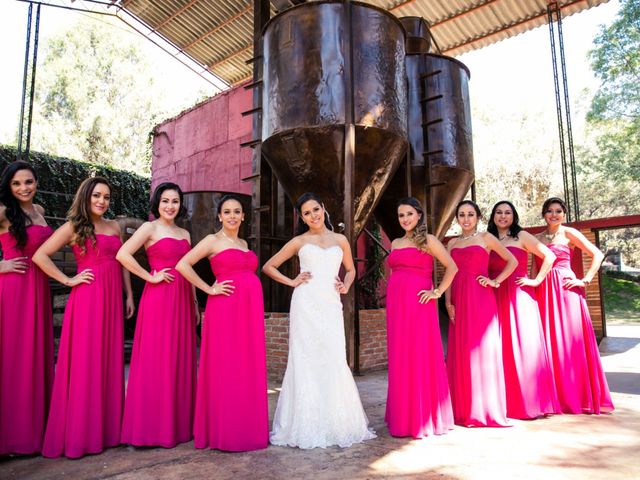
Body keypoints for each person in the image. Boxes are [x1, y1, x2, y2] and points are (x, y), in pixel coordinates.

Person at [263, 192, 375, 449]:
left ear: (323, 208)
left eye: (315, 209)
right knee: (306, 359)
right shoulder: (299, 241)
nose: (313, 216)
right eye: (306, 213)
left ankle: (337, 422)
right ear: (301, 218)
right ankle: (305, 424)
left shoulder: (340, 239)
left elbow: (351, 269)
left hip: (330, 304)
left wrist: (346, 286)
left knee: (334, 357)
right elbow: (269, 266)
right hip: (305, 303)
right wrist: (292, 281)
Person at [33, 177, 134, 458]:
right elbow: (40, 256)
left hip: (113, 298)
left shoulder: (114, 226)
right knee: (86, 360)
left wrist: (128, 295)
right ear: (86, 197)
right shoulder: (74, 226)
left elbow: (123, 262)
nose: (102, 201)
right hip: (88, 298)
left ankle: (108, 431)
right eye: (96, 196)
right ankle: (80, 434)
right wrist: (67, 280)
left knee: (109, 359)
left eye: (106, 197)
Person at [176, 194, 268, 451]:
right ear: (219, 216)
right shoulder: (212, 240)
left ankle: (247, 427)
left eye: (236, 211)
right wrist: (208, 289)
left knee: (246, 363)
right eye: (226, 211)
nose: (232, 216)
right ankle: (225, 430)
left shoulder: (243, 242)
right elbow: (183, 264)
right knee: (227, 364)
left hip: (249, 310)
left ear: (243, 215)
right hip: (224, 310)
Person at [117, 182, 198, 448]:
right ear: (157, 203)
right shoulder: (149, 228)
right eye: (165, 201)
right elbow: (123, 254)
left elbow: (188, 270)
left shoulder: (185, 234)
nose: (170, 206)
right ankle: (149, 428)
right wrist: (149, 277)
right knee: (156, 357)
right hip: (159, 298)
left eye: (175, 201)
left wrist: (195, 302)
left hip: (184, 299)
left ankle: (176, 426)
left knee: (179, 358)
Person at [385, 197, 458, 438]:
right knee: (400, 354)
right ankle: (403, 414)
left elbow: (452, 267)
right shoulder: (395, 243)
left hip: (419, 303)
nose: (405, 219)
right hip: (397, 304)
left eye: (409, 214)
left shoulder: (429, 240)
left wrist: (437, 292)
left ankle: (423, 415)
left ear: (418, 215)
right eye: (401, 215)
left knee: (420, 353)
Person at [534, 197, 614, 414]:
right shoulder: (537, 238)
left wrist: (585, 279)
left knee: (571, 342)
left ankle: (578, 395)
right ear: (544, 214)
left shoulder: (570, 234)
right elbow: (534, 270)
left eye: (558, 211)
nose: (554, 215)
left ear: (564, 214)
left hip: (567, 290)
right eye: (549, 211)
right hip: (544, 292)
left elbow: (597, 254)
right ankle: (556, 396)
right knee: (550, 343)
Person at [445, 200, 517, 427]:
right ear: (457, 218)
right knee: (462, 351)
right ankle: (462, 408)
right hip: (457, 298)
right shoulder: (451, 243)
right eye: (462, 215)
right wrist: (447, 302)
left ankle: (484, 409)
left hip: (480, 299)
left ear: (478, 217)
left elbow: (512, 261)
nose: (466, 219)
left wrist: (495, 281)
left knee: (482, 350)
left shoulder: (486, 238)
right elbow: (448, 273)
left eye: (470, 215)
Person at [487, 200, 559, 419]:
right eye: (498, 212)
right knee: (499, 349)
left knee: (523, 347)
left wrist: (536, 281)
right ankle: (504, 403)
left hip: (519, 296)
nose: (503, 216)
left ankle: (530, 402)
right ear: (492, 216)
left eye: (507, 213)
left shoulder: (523, 237)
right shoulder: (487, 238)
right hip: (494, 294)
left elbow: (550, 256)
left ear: (514, 216)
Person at [0, 161, 54, 455]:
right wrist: (1, 265)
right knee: (13, 358)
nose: (23, 188)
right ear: (9, 186)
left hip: (39, 289)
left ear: (36, 182)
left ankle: (32, 432)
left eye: (29, 182)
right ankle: (9, 436)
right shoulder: (3, 212)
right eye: (17, 183)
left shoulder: (41, 212)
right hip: (14, 290)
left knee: (34, 355)